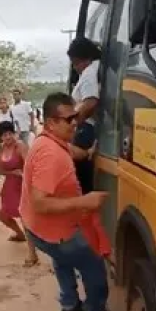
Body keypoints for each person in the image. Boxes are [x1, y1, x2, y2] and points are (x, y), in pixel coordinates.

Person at [20, 92, 124, 311]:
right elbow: (40, 202)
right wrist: (84, 202)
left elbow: (71, 150)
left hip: (37, 230)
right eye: (69, 119)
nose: (76, 122)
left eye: (76, 116)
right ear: (51, 123)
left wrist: (88, 153)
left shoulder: (47, 141)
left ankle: (69, 304)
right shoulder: (52, 156)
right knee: (94, 265)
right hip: (55, 232)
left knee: (62, 261)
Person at [0, 121, 39, 266]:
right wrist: (12, 172)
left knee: (24, 218)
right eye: (4, 135)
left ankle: (32, 254)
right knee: (3, 216)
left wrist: (27, 180)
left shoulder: (20, 145)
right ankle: (19, 235)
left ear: (14, 133)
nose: (8, 137)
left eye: (10, 134)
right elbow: (0, 171)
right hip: (9, 186)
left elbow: (30, 166)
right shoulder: (1, 148)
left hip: (22, 186)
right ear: (1, 136)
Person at [67, 37, 102, 194]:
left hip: (85, 129)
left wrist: (71, 124)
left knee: (81, 176)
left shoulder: (88, 73)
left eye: (75, 62)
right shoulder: (93, 70)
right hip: (85, 128)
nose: (75, 67)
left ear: (85, 58)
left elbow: (91, 102)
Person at [0, 97, 18, 185]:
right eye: (1, 103)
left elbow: (16, 123)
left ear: (6, 103)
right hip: (2, 137)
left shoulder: (11, 112)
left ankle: (14, 171)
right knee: (0, 156)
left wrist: (16, 134)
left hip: (11, 136)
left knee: (13, 153)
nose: (2, 105)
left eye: (4, 103)